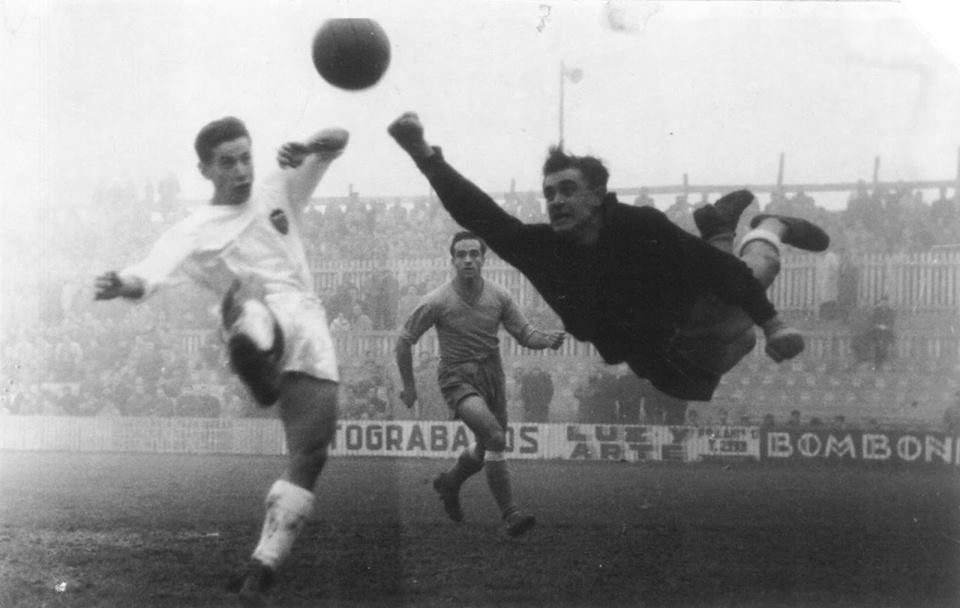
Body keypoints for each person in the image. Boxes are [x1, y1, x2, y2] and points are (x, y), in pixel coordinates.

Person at [387, 112, 829, 402]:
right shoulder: (540, 249)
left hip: (697, 313)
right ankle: (717, 228)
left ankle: (772, 225)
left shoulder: (642, 227)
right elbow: (477, 213)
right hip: (651, 356)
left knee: (757, 283)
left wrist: (773, 323)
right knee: (725, 358)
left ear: (597, 195)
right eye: (548, 193)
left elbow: (720, 271)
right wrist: (423, 156)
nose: (555, 201)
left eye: (567, 189)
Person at [93, 116, 349, 607]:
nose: (241, 169)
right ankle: (254, 352)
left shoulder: (279, 186)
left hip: (309, 324)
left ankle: (263, 567)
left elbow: (339, 141)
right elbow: (150, 272)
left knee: (311, 454)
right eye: (227, 162)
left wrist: (311, 144)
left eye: (245, 156)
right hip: (255, 308)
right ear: (206, 170)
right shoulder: (192, 231)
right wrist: (123, 282)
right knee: (249, 298)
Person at [395, 231, 565, 537]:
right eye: (461, 255)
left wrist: (546, 339)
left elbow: (525, 333)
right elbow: (404, 341)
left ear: (483, 259)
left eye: (474, 253)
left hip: (492, 375)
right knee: (495, 436)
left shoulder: (499, 296)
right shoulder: (436, 300)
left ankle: (450, 483)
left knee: (489, 444)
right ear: (453, 261)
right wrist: (409, 386)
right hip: (457, 377)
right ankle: (511, 513)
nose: (468, 259)